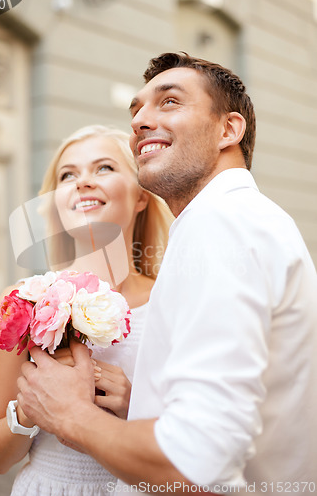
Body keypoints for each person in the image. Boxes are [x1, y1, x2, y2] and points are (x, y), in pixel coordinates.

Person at [16, 53, 317, 495]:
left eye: (170, 102)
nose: (140, 121)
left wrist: (69, 415)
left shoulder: (221, 223)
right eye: (136, 109)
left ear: (229, 130)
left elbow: (198, 462)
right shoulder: (233, 221)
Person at [0, 124, 173, 495]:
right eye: (68, 175)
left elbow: (206, 434)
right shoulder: (22, 302)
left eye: (104, 168)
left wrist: (137, 406)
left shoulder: (172, 299)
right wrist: (30, 409)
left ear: (141, 197)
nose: (83, 182)